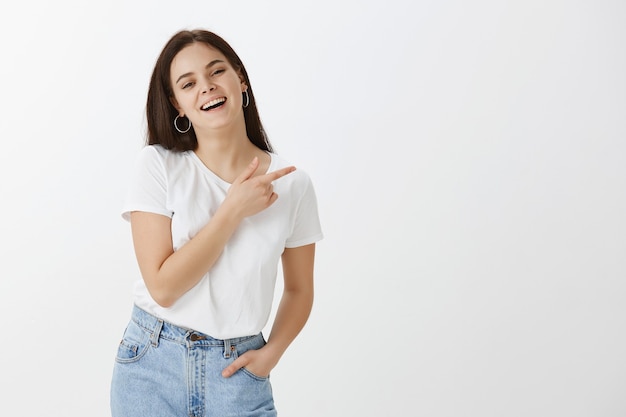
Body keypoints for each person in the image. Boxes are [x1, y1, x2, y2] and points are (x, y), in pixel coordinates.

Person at [110, 29, 323, 417]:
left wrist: (270, 355)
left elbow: (299, 290)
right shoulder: (158, 166)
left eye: (216, 72)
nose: (206, 88)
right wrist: (232, 211)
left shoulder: (293, 185)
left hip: (238, 373)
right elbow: (164, 288)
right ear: (177, 104)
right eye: (188, 84)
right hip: (152, 368)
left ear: (239, 79)